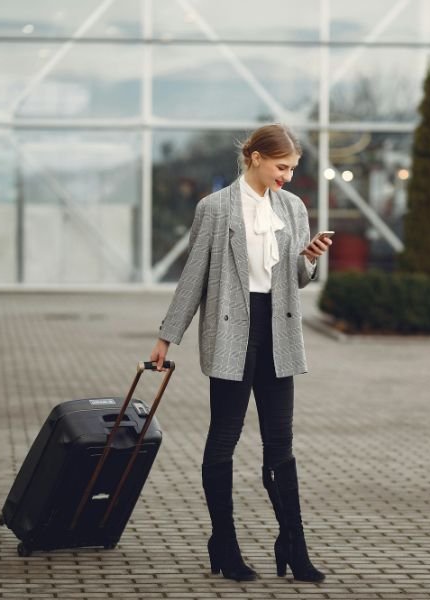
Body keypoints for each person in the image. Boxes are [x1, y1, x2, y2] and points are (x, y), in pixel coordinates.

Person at [150, 124, 330, 583]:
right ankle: (224, 543)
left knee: (281, 444)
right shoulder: (214, 208)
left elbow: (297, 279)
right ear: (255, 157)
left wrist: (309, 257)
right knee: (224, 439)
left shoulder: (293, 208)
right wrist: (167, 337)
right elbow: (193, 277)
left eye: (292, 169)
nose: (287, 176)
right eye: (282, 167)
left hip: (278, 330)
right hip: (232, 329)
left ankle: (293, 545)